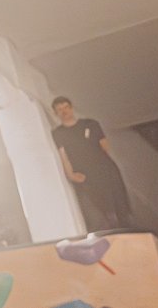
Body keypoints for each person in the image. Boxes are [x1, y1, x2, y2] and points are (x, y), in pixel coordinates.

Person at [51, 96, 132, 231]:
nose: (64, 112)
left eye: (66, 107)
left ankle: (128, 229)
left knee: (119, 202)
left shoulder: (90, 124)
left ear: (71, 108)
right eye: (59, 110)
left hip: (105, 169)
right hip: (85, 175)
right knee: (101, 208)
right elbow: (63, 154)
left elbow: (105, 146)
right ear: (56, 113)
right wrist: (70, 174)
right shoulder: (58, 133)